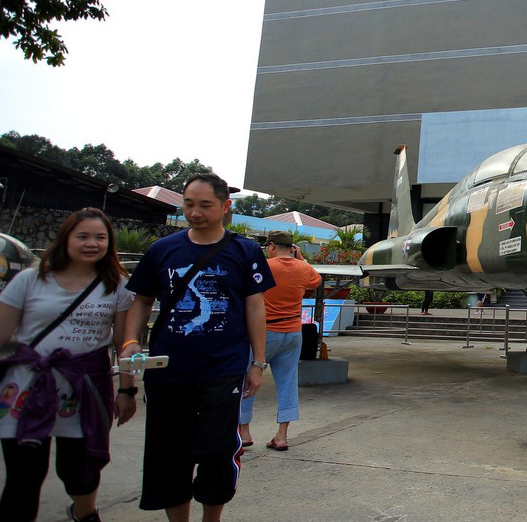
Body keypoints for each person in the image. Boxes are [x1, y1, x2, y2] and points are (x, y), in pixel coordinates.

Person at [119, 173, 275, 521]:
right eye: (189, 204)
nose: (195, 213)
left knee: (217, 451)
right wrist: (131, 341)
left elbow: (255, 306)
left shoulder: (245, 251)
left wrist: (257, 362)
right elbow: (141, 300)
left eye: (205, 205)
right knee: (169, 454)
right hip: (168, 372)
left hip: (223, 370)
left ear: (225, 206)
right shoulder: (163, 250)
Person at [0, 208, 135, 522]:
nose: (92, 243)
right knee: (24, 478)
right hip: (26, 390)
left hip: (83, 392)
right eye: (83, 236)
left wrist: (127, 390)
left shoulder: (117, 286)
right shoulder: (30, 279)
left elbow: (123, 344)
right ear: (66, 239)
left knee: (81, 471)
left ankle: (84, 513)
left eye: (100, 237)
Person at [238, 231, 321, 452]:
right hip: (293, 332)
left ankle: (244, 432)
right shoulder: (303, 268)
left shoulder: (264, 266)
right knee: (287, 383)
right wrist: (300, 259)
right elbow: (316, 280)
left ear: (272, 246)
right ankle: (282, 435)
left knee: (248, 380)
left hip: (263, 333)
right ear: (292, 247)